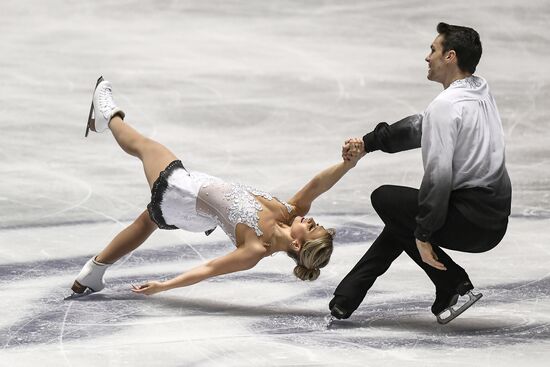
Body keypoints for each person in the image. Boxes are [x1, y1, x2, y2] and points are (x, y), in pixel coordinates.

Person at [71, 77, 361, 297]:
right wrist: (347, 166)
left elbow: (210, 268)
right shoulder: (291, 211)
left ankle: (107, 114)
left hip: (182, 191)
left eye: (311, 227)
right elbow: (316, 185)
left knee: (144, 147)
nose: (310, 219)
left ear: (296, 244)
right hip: (196, 208)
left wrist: (164, 286)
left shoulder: (256, 248)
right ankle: (93, 272)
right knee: (148, 221)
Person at [329, 22, 512, 324]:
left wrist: (425, 236)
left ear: (450, 56)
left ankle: (452, 280)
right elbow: (419, 127)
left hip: (471, 223)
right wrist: (369, 143)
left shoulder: (447, 105)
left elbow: (438, 178)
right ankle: (348, 296)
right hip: (493, 220)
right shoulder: (478, 89)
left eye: (433, 50)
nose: (427, 57)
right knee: (401, 221)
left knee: (386, 199)